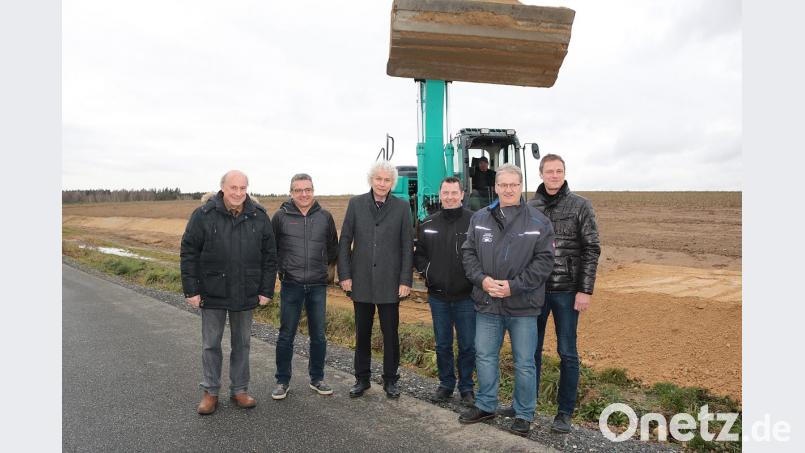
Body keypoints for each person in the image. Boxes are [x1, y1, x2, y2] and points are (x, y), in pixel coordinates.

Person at [458, 164, 555, 437]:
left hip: (523, 305)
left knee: (524, 361)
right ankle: (486, 404)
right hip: (487, 303)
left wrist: (514, 287)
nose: (508, 190)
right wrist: (482, 280)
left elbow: (544, 262)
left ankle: (524, 413)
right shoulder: (479, 218)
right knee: (485, 356)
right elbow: (468, 254)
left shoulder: (538, 222)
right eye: (503, 185)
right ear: (496, 187)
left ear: (520, 186)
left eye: (513, 185)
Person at [180, 170, 277, 415]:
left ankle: (240, 390)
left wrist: (266, 289)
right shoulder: (203, 215)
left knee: (242, 344)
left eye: (243, 188)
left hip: (246, 291)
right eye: (233, 188)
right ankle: (210, 392)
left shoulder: (259, 216)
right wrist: (191, 289)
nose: (238, 193)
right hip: (212, 291)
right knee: (210, 344)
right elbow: (189, 252)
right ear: (222, 188)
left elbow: (270, 257)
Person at [528, 154, 601, 433]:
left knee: (567, 351)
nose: (555, 176)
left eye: (559, 171)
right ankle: (527, 404)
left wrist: (585, 289)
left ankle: (564, 413)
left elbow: (592, 248)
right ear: (541, 173)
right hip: (535, 292)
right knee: (529, 351)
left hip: (568, 292)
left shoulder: (581, 205)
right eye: (550, 171)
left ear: (564, 173)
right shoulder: (530, 206)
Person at [338, 161, 414, 399]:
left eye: (387, 180)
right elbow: (345, 241)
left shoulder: (402, 208)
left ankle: (391, 380)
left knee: (390, 333)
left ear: (393, 183)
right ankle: (362, 379)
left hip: (391, 283)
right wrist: (345, 275)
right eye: (378, 179)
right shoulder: (356, 204)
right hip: (360, 281)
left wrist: (405, 280)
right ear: (371, 180)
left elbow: (406, 247)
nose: (382, 184)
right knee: (363, 332)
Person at [270, 173, 339, 400]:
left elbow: (332, 249)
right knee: (286, 335)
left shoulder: (325, 217)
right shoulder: (280, 217)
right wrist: (283, 270)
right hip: (291, 284)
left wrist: (324, 272)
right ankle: (282, 381)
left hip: (317, 285)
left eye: (307, 189)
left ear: (313, 190)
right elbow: (272, 250)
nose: (303, 194)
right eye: (298, 190)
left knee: (318, 335)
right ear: (291, 192)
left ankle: (317, 378)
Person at [414, 176, 476, 406]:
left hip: (467, 296)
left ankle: (467, 387)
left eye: (454, 193)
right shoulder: (428, 224)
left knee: (468, 344)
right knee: (442, 344)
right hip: (438, 296)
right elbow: (419, 255)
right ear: (440, 195)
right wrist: (428, 273)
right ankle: (446, 385)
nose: (449, 197)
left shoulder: (474, 222)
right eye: (445, 193)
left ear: (462, 195)